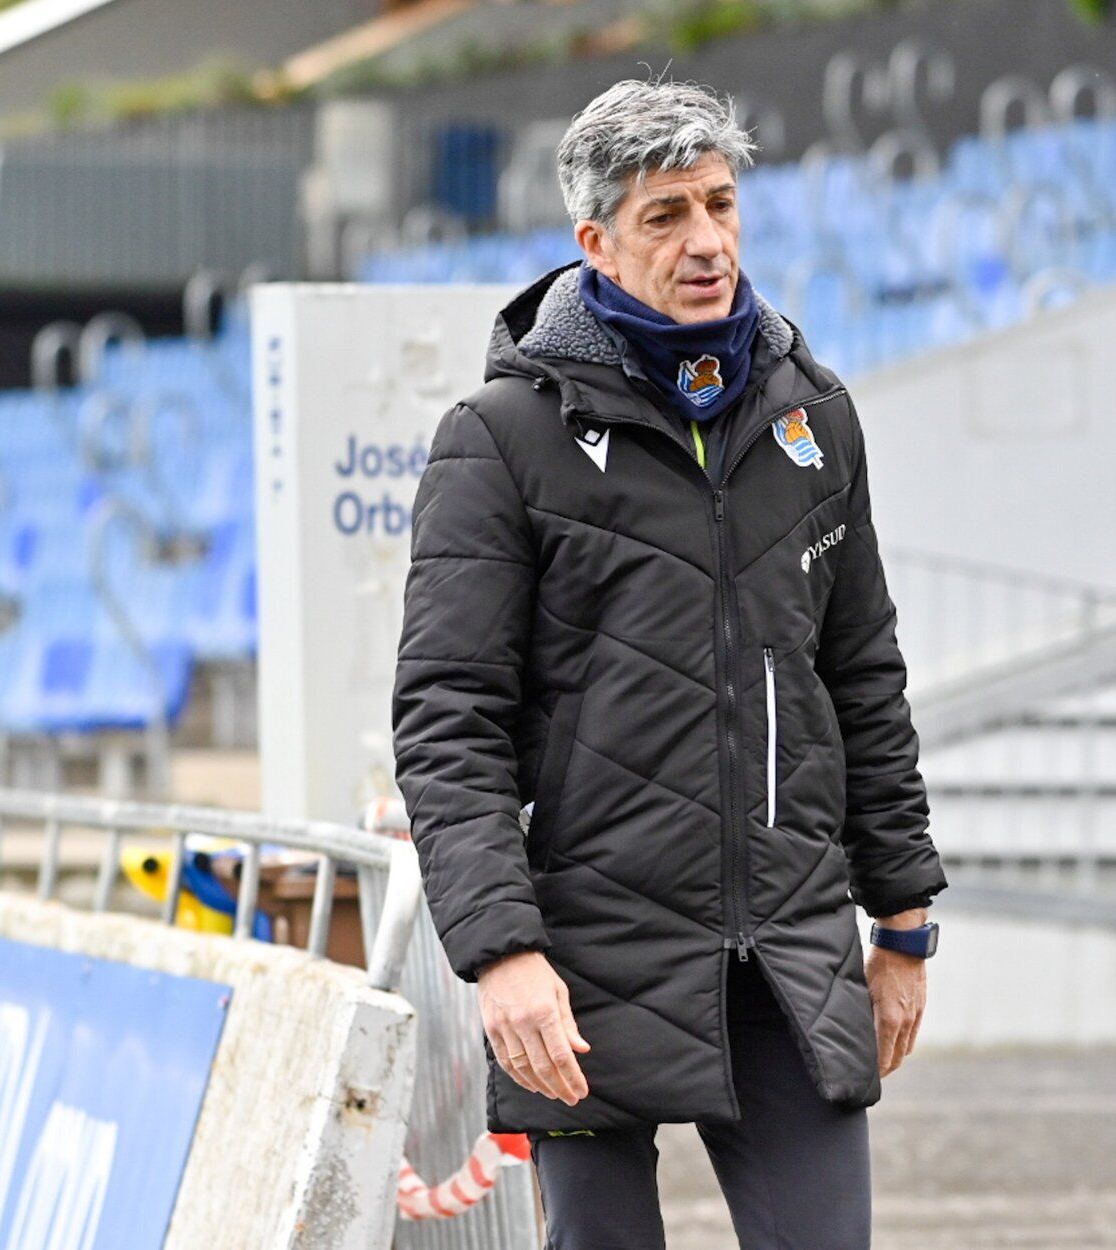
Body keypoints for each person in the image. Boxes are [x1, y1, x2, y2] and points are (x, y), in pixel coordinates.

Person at [390, 76, 947, 1248]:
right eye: (664, 217)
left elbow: (860, 676)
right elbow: (450, 720)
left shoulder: (814, 414)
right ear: (594, 243)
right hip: (583, 960)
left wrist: (900, 917)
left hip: (790, 953)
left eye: (720, 205)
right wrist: (503, 952)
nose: (706, 243)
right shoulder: (498, 440)